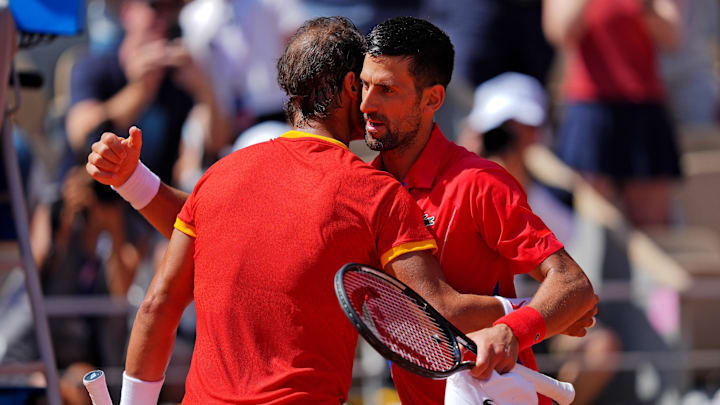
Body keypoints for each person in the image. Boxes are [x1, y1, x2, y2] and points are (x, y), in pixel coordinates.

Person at [86, 16, 597, 404]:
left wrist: (530, 320)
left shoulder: (225, 176)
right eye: (368, 85)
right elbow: (438, 312)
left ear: (433, 99)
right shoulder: (370, 191)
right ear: (350, 88)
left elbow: (574, 288)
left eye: (387, 89)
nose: (372, 102)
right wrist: (524, 312)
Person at [543, 0, 683, 226]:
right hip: (590, 110)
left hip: (643, 108)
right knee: (589, 227)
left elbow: (672, 37)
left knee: (653, 231)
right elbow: (559, 31)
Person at [66, 0, 231, 186]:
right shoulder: (94, 65)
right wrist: (139, 91)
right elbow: (80, 134)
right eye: (155, 6)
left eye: (173, 9)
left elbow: (218, 143)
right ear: (127, 12)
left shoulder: (179, 76)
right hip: (98, 196)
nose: (164, 18)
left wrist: (204, 90)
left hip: (153, 197)